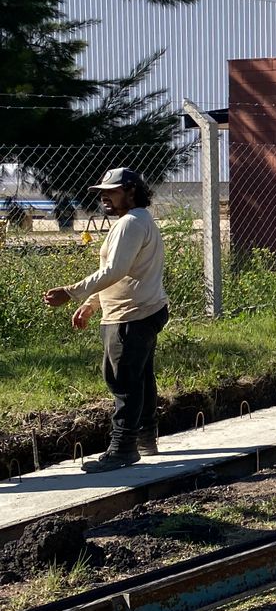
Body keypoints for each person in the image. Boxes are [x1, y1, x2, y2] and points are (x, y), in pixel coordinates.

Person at [42, 168, 169, 472]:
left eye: (111, 191)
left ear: (131, 191)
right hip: (143, 309)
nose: (103, 197)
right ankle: (145, 438)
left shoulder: (131, 223)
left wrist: (70, 293)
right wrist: (90, 303)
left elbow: (114, 270)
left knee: (122, 380)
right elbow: (119, 272)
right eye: (102, 192)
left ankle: (123, 448)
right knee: (140, 376)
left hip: (131, 314)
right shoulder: (138, 221)